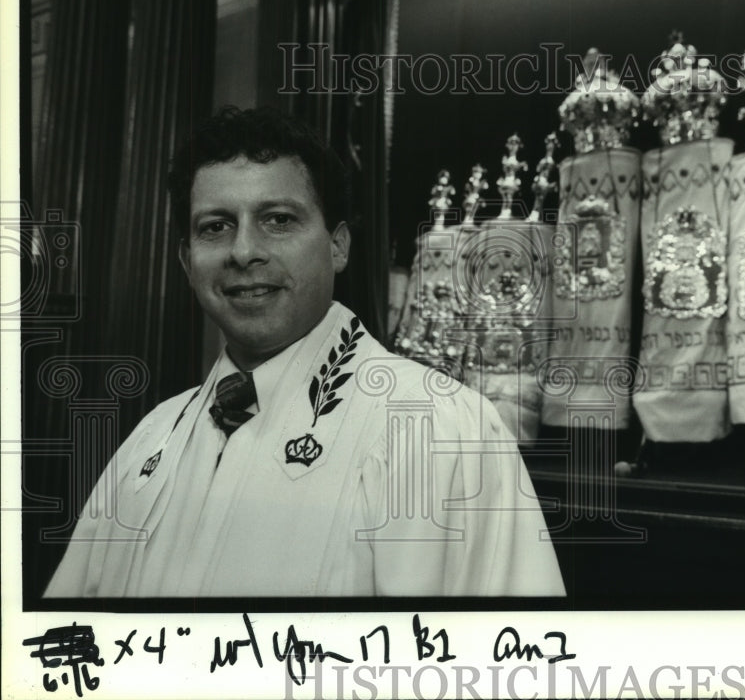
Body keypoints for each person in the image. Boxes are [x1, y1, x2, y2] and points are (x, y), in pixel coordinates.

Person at [45, 107, 565, 597]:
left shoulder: (439, 429)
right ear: (187, 260)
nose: (244, 251)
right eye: (215, 226)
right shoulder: (151, 438)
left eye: (278, 219)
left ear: (338, 246)